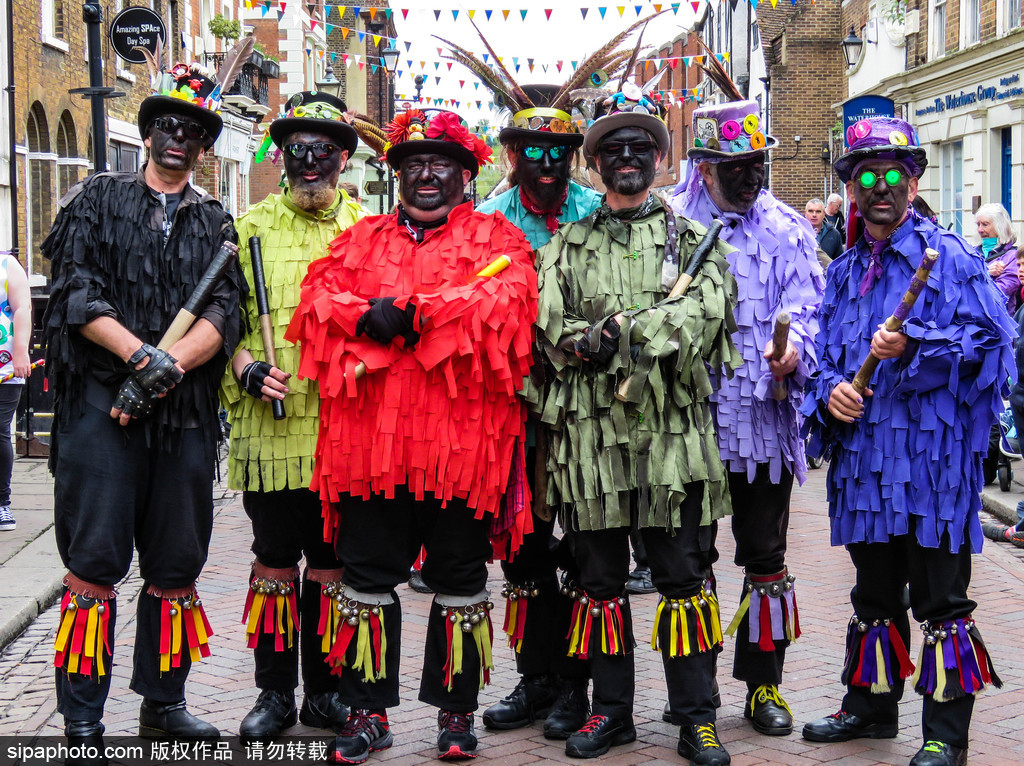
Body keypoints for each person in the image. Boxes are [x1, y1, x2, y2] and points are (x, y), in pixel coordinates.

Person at [286, 108, 538, 762]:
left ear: (464, 172)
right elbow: (316, 302)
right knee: (367, 577)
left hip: (464, 452)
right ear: (396, 173)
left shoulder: (498, 239)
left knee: (460, 576)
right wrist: (365, 313)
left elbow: (509, 303)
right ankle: (366, 711)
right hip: (372, 450)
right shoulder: (361, 239)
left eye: (441, 163)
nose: (427, 174)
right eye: (414, 163)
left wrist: (423, 312)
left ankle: (457, 714)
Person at [40, 53, 245, 753]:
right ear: (148, 132)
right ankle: (82, 719)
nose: (177, 138)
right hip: (102, 410)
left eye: (191, 129)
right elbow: (72, 292)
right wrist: (137, 357)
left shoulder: (216, 222)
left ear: (203, 145)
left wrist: (166, 371)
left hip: (182, 416)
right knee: (94, 561)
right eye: (166, 125)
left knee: (175, 563)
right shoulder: (97, 200)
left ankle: (164, 704)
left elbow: (225, 314)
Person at [536, 83, 739, 764]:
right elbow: (549, 323)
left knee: (683, 577)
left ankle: (696, 717)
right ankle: (610, 712)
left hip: (672, 439)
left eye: (639, 146)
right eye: (611, 148)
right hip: (590, 441)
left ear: (658, 158)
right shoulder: (566, 244)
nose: (626, 156)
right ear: (594, 165)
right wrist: (578, 340)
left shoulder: (690, 238)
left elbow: (705, 315)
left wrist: (624, 333)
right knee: (597, 583)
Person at [801, 115, 1013, 766]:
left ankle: (946, 737)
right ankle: (870, 709)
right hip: (866, 467)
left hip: (933, 469)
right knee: (872, 592)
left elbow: (995, 348)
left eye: (895, 173)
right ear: (853, 187)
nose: (882, 185)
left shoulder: (947, 256)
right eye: (868, 174)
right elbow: (820, 357)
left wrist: (917, 343)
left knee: (941, 598)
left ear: (914, 178)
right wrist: (830, 390)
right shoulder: (841, 275)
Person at [672, 98, 824, 740]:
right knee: (690, 565)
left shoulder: (790, 230)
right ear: (704, 167)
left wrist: (796, 354)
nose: (751, 177)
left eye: (757, 163)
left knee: (766, 558)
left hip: (763, 418)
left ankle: (764, 686)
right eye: (736, 166)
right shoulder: (669, 225)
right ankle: (697, 706)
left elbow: (812, 311)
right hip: (690, 429)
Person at [221, 91, 365, 741]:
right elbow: (224, 324)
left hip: (343, 432)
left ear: (342, 158)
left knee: (332, 563)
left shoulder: (366, 231)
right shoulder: (249, 227)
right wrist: (247, 367)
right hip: (269, 429)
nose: (310, 162)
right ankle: (275, 693)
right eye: (297, 150)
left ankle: (326, 694)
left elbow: (383, 325)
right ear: (281, 156)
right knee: (274, 561)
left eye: (323, 151)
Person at [474, 83, 600, 741]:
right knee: (521, 552)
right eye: (534, 151)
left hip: (583, 414)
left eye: (558, 151)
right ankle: (536, 677)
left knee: (581, 553)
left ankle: (577, 687)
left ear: (572, 155)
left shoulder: (599, 215)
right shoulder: (488, 219)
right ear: (513, 155)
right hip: (512, 413)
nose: (547, 164)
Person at [0, 254, 32, 532]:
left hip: (4, 366)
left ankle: (1, 503)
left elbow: (22, 307)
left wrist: (21, 352)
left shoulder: (6, 264)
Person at [974, 202, 1019, 312]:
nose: (980, 229)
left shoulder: (1013, 256)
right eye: (978, 224)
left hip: (999, 322)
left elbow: (999, 292)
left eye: (985, 224)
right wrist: (985, 271)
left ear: (1000, 226)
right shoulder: (972, 251)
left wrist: (973, 277)